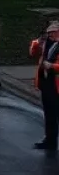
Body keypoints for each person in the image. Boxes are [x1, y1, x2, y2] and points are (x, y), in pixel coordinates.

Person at [29, 19, 59, 151]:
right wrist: (36, 44)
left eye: (53, 32)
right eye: (49, 32)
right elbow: (32, 54)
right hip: (46, 82)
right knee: (49, 113)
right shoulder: (45, 42)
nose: (50, 35)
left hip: (56, 84)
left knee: (55, 113)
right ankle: (50, 140)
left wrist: (52, 66)